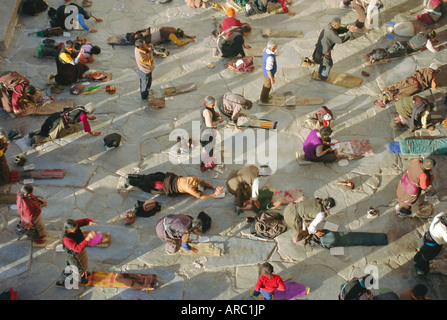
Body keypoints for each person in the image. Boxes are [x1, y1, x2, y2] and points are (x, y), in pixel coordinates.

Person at [31, 103, 101, 145]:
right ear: (91, 112)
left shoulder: (80, 107)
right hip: (59, 122)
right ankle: (36, 139)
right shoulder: (83, 116)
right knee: (53, 136)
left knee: (48, 126)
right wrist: (93, 134)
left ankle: (36, 133)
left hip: (57, 115)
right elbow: (87, 127)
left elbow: (83, 114)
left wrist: (89, 118)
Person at [375, 64, 440, 108]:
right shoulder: (426, 72)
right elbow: (434, 86)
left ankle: (383, 101)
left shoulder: (423, 70)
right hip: (413, 84)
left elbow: (434, 86)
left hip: (411, 85)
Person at [125, 172, 224, 199]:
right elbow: (201, 196)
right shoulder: (190, 189)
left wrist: (214, 187)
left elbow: (204, 182)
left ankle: (133, 176)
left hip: (168, 178)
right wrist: (214, 194)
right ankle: (132, 182)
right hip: (167, 187)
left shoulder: (193, 178)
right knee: (149, 187)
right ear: (197, 188)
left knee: (150, 177)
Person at [59, 219, 97, 285]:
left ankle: (68, 272)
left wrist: (89, 222)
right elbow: (77, 249)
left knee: (81, 264)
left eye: (77, 227)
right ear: (69, 230)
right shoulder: (66, 239)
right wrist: (88, 238)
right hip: (74, 255)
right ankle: (80, 280)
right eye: (75, 228)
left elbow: (83, 221)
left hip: (79, 251)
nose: (77, 228)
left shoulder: (74, 225)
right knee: (78, 269)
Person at [367, 30, 441, 63]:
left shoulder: (422, 33)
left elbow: (423, 39)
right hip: (408, 49)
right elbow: (433, 50)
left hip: (405, 43)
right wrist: (439, 48)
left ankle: (374, 53)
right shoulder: (428, 42)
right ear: (431, 37)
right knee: (391, 54)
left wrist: (431, 41)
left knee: (392, 48)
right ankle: (375, 56)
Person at [127, 26, 196, 46]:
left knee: (139, 35)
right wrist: (188, 40)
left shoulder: (173, 29)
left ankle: (131, 36)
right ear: (177, 35)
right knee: (140, 40)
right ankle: (130, 38)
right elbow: (179, 43)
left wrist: (189, 36)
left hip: (150, 30)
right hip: (152, 37)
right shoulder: (172, 35)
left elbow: (181, 34)